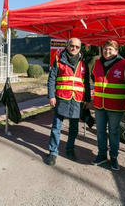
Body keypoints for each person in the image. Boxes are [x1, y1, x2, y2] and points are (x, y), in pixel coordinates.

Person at [45, 37, 91, 166]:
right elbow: (52, 78)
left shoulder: (83, 63)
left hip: (77, 99)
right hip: (61, 98)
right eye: (72, 46)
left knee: (74, 128)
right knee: (56, 127)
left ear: (80, 48)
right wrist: (51, 96)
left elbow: (86, 83)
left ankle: (70, 149)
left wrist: (87, 99)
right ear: (67, 46)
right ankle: (52, 153)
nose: (74, 49)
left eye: (77, 47)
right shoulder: (58, 59)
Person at [90, 40, 125, 171]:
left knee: (114, 132)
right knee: (100, 132)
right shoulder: (97, 63)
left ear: (116, 51)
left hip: (116, 106)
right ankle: (102, 155)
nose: (107, 52)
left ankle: (114, 157)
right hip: (99, 106)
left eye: (110, 49)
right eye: (105, 49)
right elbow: (94, 80)